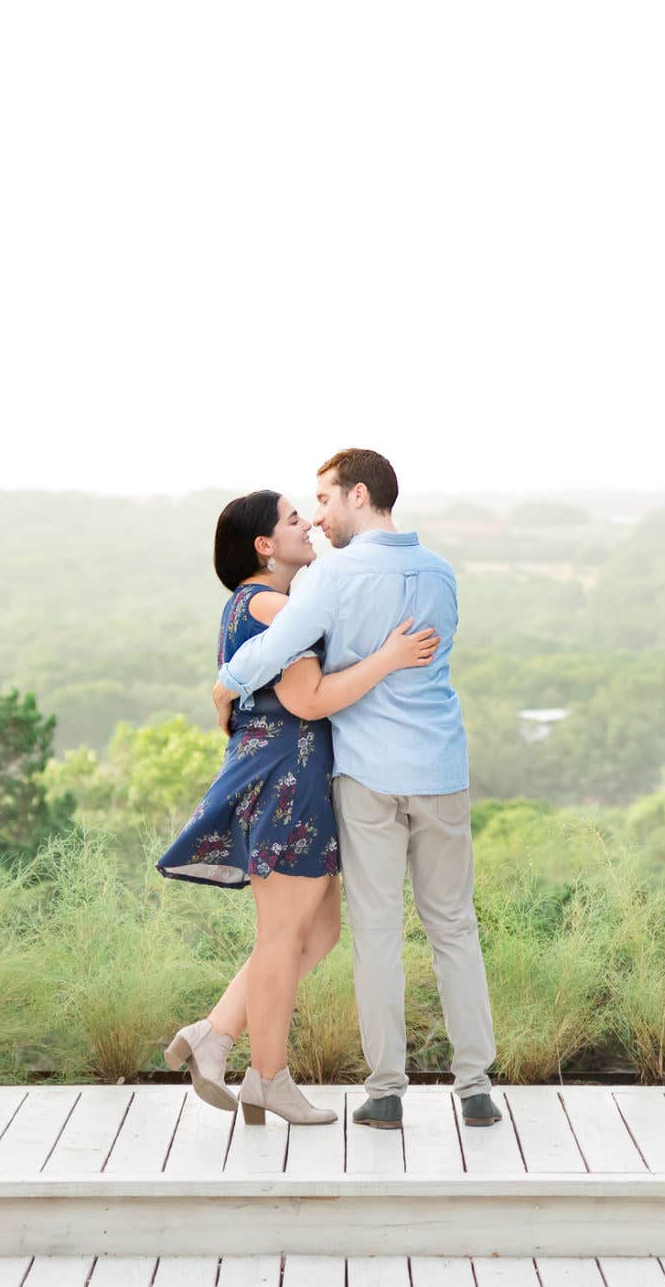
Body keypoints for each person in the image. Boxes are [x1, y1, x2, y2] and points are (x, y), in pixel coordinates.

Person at [211, 448, 499, 1131]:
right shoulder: (442, 571)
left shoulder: (333, 574)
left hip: (369, 774)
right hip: (441, 768)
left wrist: (226, 681)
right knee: (454, 924)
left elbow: (277, 646)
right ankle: (476, 1085)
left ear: (360, 495)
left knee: (375, 932)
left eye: (326, 498)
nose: (317, 515)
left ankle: (387, 1090)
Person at [155, 488, 438, 1126]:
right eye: (292, 519)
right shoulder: (278, 606)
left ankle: (217, 1033)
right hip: (289, 776)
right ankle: (267, 1077)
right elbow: (308, 699)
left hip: (291, 774)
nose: (307, 523)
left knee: (321, 932)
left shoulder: (251, 603)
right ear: (264, 546)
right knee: (283, 937)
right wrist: (390, 657)